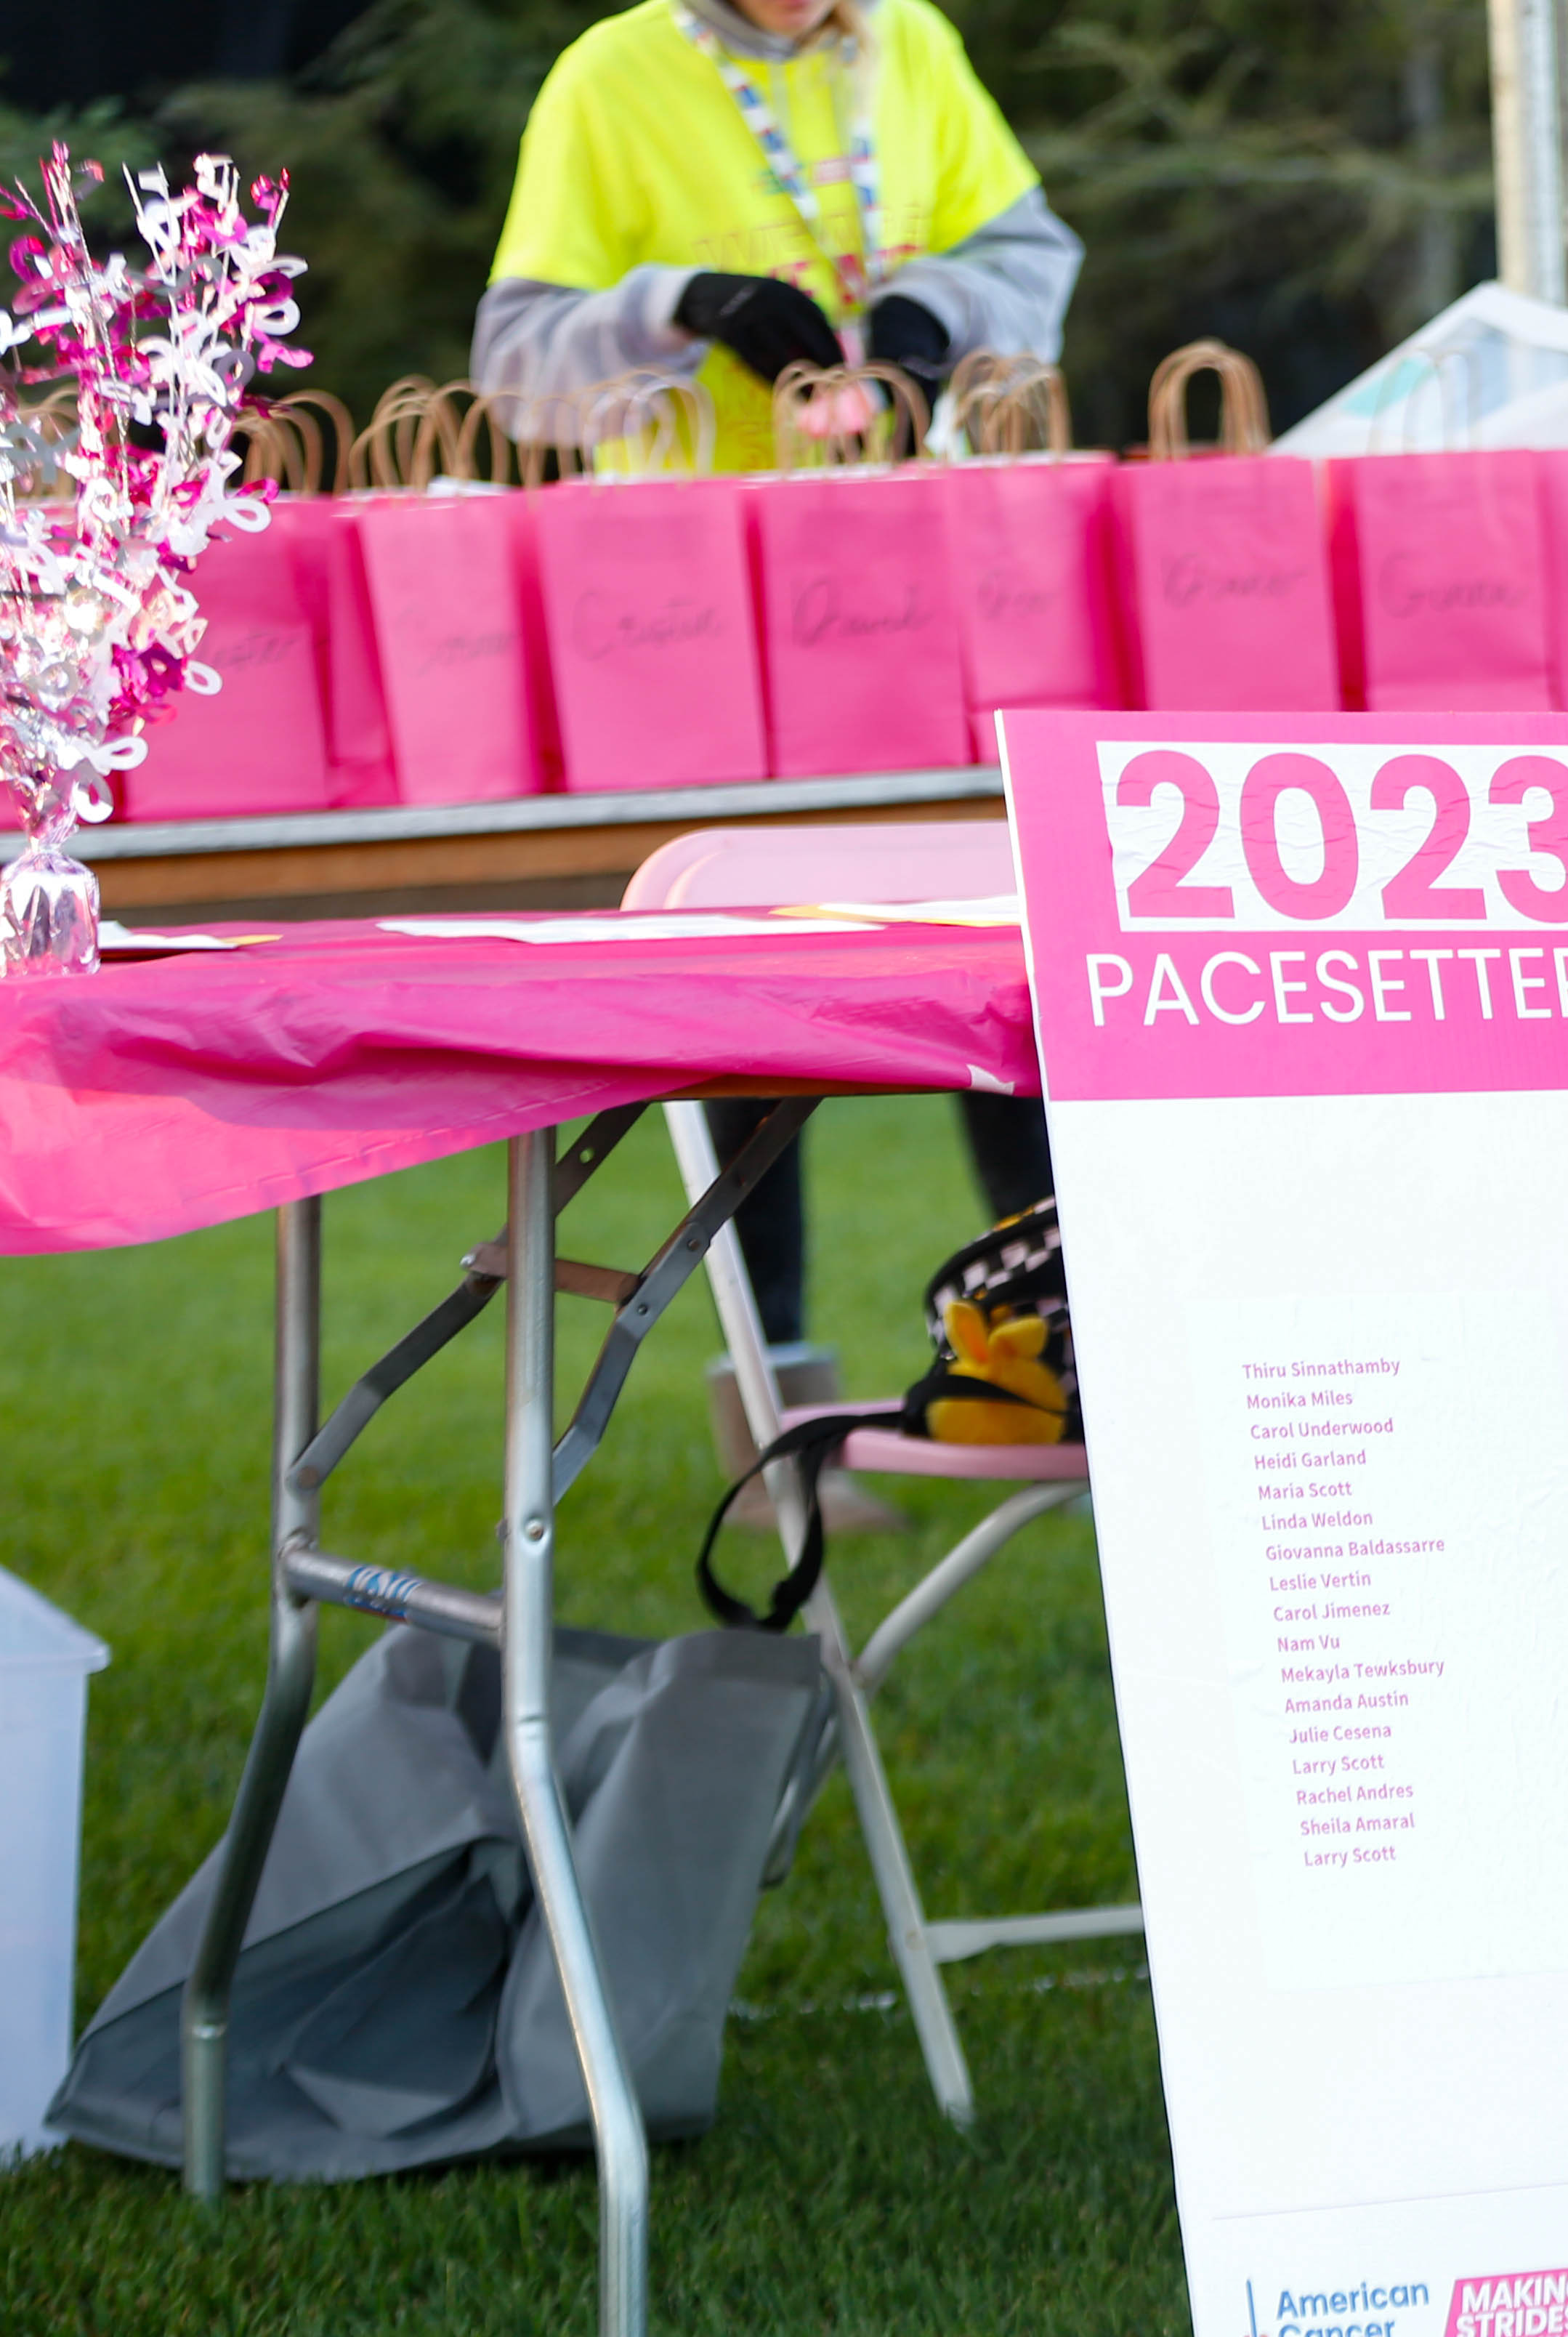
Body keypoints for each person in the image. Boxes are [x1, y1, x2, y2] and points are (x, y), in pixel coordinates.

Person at [472, 0, 1073, 1494]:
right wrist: (680, 306)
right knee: (752, 1012)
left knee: (1011, 977)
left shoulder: (910, 41)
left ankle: (1051, 1371)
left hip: (917, 599)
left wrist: (937, 314)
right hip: (697, 625)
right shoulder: (612, 72)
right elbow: (516, 371)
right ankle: (780, 1431)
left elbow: (1033, 262)